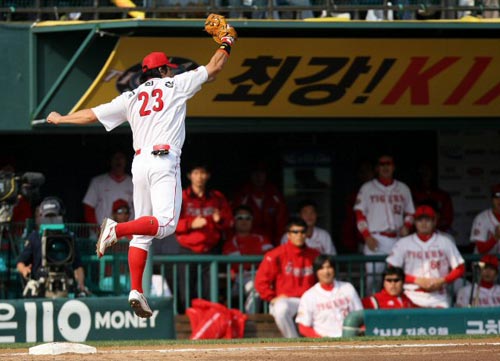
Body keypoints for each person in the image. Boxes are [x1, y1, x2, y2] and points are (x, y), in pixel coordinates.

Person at [46, 26, 236, 318]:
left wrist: (60, 119)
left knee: (143, 233)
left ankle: (136, 290)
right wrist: (228, 41)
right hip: (163, 161)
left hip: (140, 164)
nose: (170, 73)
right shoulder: (175, 85)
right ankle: (116, 229)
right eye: (168, 69)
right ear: (161, 70)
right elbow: (215, 66)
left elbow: (92, 115)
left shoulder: (130, 97)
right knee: (166, 225)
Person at [354, 154, 415, 294]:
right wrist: (366, 236)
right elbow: (359, 214)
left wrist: (407, 225)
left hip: (398, 238)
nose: (385, 167)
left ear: (393, 167)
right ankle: (373, 307)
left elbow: (411, 213)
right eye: (382, 164)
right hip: (375, 239)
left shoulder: (403, 188)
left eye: (388, 164)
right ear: (377, 168)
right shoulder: (367, 188)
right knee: (372, 278)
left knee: (399, 276)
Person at [175, 163, 233, 311]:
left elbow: (230, 221)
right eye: (195, 173)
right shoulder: (180, 197)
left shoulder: (217, 197)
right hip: (187, 251)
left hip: (210, 250)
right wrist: (190, 224)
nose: (199, 177)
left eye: (202, 173)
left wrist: (219, 220)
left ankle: (211, 320)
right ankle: (188, 321)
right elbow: (170, 222)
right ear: (189, 176)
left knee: (210, 291)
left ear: (207, 176)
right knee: (186, 292)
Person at [386, 205, 465, 308]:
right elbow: (391, 268)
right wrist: (415, 280)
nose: (423, 223)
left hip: (438, 296)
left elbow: (460, 268)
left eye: (427, 220)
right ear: (415, 222)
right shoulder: (403, 243)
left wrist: (443, 280)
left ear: (434, 222)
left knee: (443, 323)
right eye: (420, 220)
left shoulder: (445, 242)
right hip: (411, 295)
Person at [254, 217, 320, 338]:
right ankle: (294, 343)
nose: (299, 235)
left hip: (309, 300)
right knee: (281, 309)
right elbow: (260, 281)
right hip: (287, 300)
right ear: (288, 235)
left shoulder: (314, 254)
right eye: (295, 232)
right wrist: (272, 297)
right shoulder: (277, 254)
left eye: (302, 232)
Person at [16, 197, 88, 298]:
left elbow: (78, 265)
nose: (51, 221)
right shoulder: (35, 237)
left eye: (54, 216)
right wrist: (24, 270)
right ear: (41, 217)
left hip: (65, 283)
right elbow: (20, 262)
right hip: (42, 283)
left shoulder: (69, 237)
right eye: (47, 217)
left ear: (60, 216)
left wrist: (81, 285)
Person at [296, 254, 362, 338]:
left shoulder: (347, 288)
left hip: (350, 339)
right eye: (322, 268)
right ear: (316, 272)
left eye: (329, 267)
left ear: (334, 269)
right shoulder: (309, 296)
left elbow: (361, 316)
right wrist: (321, 340)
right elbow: (303, 327)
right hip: (325, 342)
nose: (326, 272)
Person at [222, 205, 273, 313]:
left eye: (247, 218)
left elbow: (271, 258)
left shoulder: (261, 238)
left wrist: (250, 260)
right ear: (234, 221)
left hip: (260, 275)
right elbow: (240, 265)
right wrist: (257, 258)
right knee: (256, 286)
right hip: (239, 280)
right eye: (240, 218)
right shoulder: (231, 242)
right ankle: (251, 319)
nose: (244, 221)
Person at [232, 162, 288, 246]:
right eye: (255, 173)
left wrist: (278, 245)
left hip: (272, 241)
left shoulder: (274, 195)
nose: (258, 176)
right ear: (251, 175)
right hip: (248, 242)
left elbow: (281, 223)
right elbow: (234, 221)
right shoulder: (243, 195)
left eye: (261, 173)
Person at [82, 150, 134, 225]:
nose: (118, 160)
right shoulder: (98, 182)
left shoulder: (133, 182)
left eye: (121, 157)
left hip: (127, 233)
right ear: (110, 161)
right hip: (101, 232)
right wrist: (96, 229)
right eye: (115, 158)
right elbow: (88, 207)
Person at [411, 162, 454, 234]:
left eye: (428, 171)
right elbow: (411, 216)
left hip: (440, 232)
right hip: (418, 234)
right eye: (423, 171)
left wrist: (433, 226)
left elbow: (447, 219)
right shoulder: (414, 194)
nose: (426, 174)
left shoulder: (442, 195)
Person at [470, 184, 500, 255]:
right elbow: (481, 249)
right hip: (483, 263)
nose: (499, 201)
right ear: (492, 199)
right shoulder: (482, 218)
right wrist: (495, 237)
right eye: (497, 197)